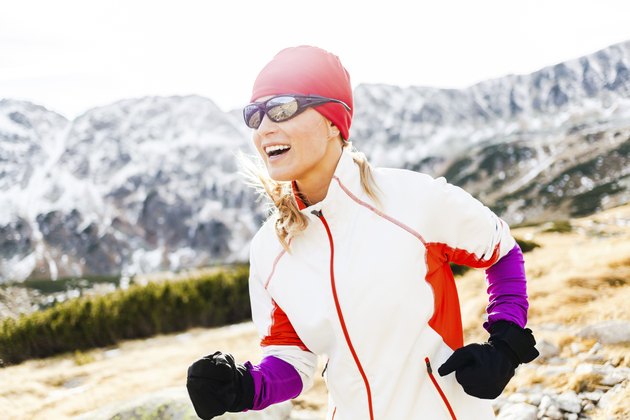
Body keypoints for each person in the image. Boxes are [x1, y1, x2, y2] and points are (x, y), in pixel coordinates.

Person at [186, 45, 539, 420]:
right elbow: (292, 359)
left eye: (282, 109)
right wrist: (243, 387)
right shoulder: (269, 249)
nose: (265, 128)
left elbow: (500, 250)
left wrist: (504, 345)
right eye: (254, 115)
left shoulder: (414, 200)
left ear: (332, 119)